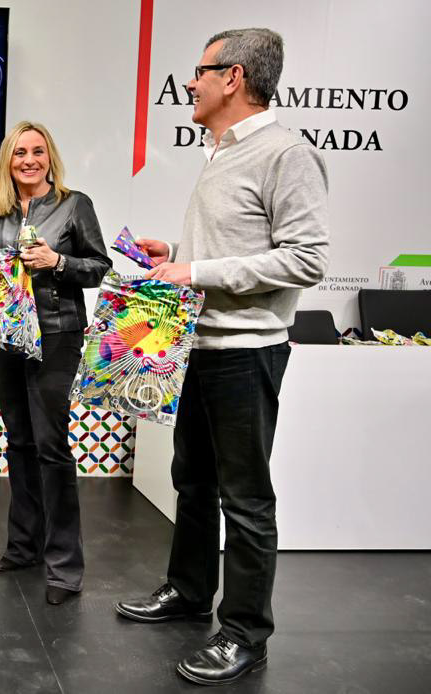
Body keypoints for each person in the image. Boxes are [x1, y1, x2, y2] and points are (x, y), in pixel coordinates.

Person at [114, 29, 330, 685]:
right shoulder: (221, 153)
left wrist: (197, 269)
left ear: (233, 77)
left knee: (245, 499)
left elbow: (307, 259)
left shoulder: (285, 154)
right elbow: (230, 252)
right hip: (195, 346)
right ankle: (187, 592)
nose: (191, 82)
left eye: (201, 71)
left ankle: (243, 634)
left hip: (245, 354)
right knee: (194, 481)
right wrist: (171, 259)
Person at [0, 121, 112, 605]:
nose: (29, 160)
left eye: (38, 152)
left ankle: (64, 569)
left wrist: (57, 263)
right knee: (20, 442)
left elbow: (99, 267)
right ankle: (24, 546)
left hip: (57, 336)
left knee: (51, 447)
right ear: (8, 161)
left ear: (50, 158)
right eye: (20, 153)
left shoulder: (74, 204)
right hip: (6, 338)